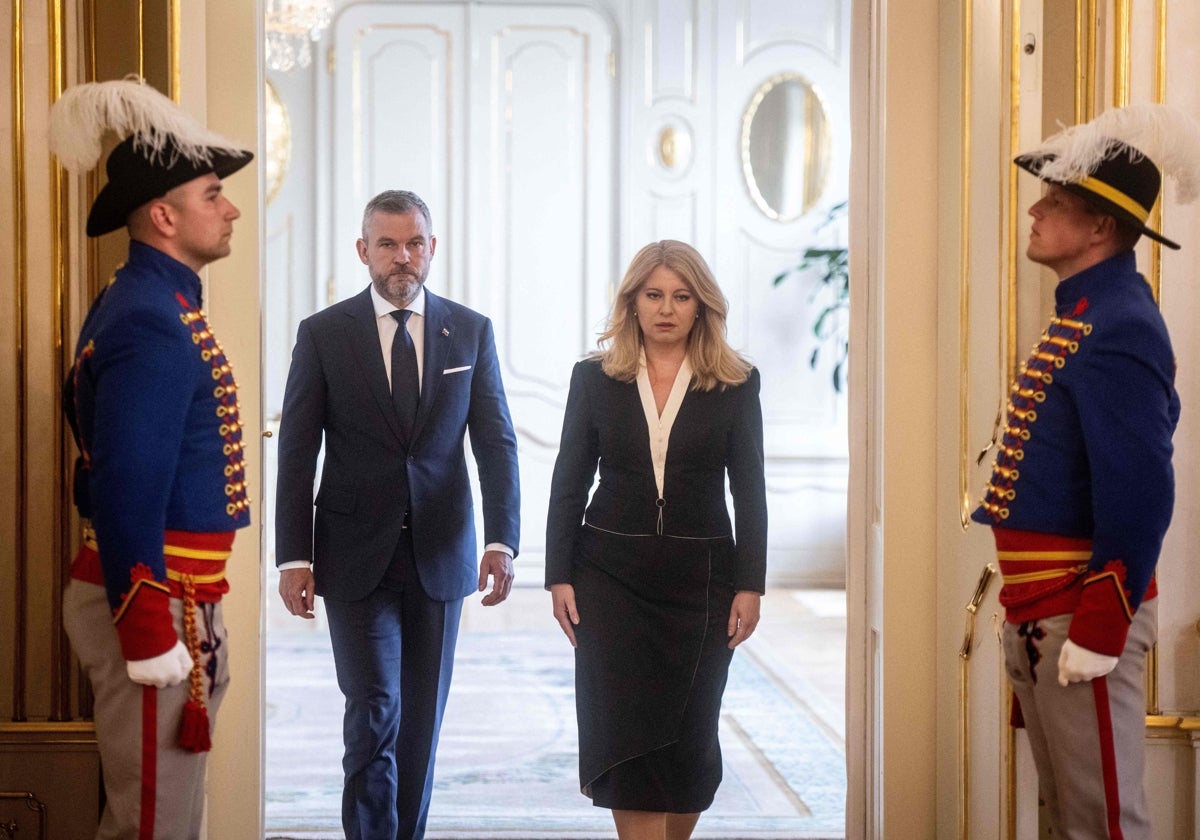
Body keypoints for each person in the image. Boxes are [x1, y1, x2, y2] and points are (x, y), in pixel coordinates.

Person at [973, 104, 1200, 839]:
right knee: (1068, 818)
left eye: (1057, 203)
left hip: (1081, 605)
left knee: (1103, 823)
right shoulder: (1084, 312)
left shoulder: (1120, 323)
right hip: (1042, 607)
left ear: (1101, 228)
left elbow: (1140, 493)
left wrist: (1101, 624)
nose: (1034, 212)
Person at [274, 189, 521, 839]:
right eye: (387, 244)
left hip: (441, 555)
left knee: (420, 725)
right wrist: (294, 556)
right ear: (364, 251)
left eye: (414, 243)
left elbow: (495, 443)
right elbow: (298, 453)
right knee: (373, 709)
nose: (402, 257)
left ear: (432, 249)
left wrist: (503, 541)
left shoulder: (470, 331)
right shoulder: (324, 335)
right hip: (353, 556)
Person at [49, 77, 254, 838]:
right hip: (154, 595)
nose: (230, 207)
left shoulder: (153, 300)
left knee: (166, 817)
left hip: (177, 592)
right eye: (212, 195)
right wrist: (146, 626)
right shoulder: (153, 319)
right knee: (152, 827)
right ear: (164, 216)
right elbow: (128, 483)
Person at [545, 240, 767, 840]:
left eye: (681, 295)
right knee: (626, 735)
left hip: (703, 582)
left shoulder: (736, 382)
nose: (666, 308)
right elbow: (569, 477)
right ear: (633, 303)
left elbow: (750, 490)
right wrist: (558, 574)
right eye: (653, 295)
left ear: (701, 306)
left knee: (692, 742)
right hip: (609, 579)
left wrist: (751, 585)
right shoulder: (593, 378)